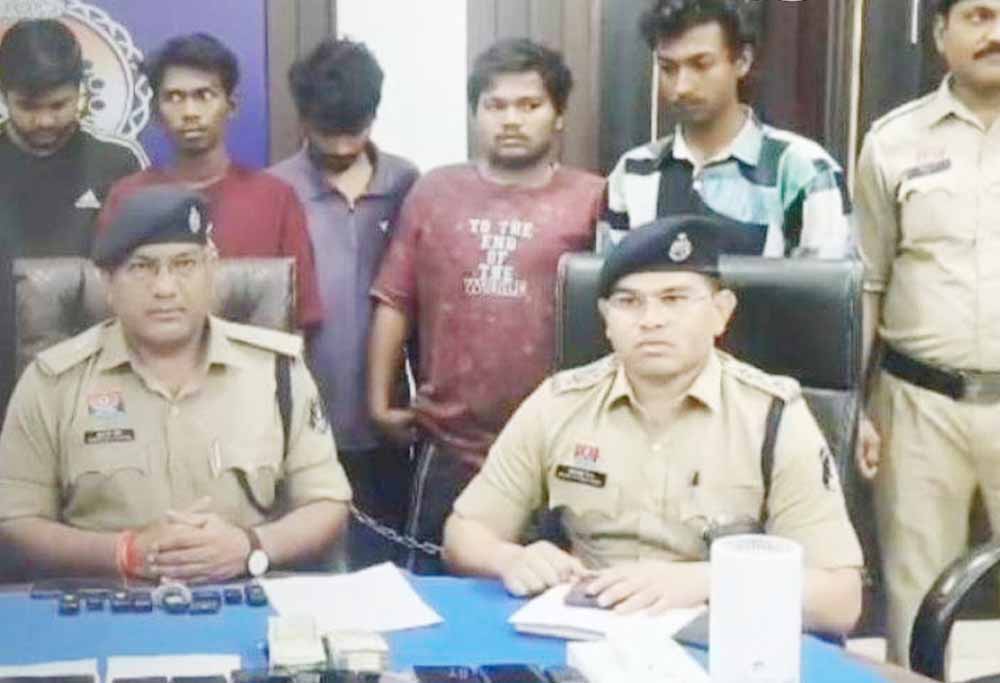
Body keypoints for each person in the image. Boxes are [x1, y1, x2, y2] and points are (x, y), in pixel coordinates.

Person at [443, 216, 863, 636]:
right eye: (629, 302)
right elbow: (465, 533)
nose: (651, 320)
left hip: (716, 639)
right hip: (583, 631)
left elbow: (839, 599)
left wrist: (708, 581)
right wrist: (511, 559)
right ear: (606, 319)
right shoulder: (559, 404)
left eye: (674, 299)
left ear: (721, 313)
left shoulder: (772, 415)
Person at [0, 186, 351, 583]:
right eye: (142, 267)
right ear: (108, 282)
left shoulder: (277, 371)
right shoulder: (53, 382)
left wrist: (250, 547)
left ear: (211, 271)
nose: (165, 288)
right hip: (107, 598)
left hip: (242, 592)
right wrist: (124, 552)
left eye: (184, 265)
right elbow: (16, 520)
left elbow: (327, 503)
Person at [368, 38, 605, 573]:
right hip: (448, 443)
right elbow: (394, 297)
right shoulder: (434, 192)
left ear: (559, 114)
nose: (511, 119)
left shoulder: (592, 198)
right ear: (475, 113)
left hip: (558, 446)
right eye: (496, 105)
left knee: (551, 593)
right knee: (435, 595)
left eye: (529, 105)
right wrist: (378, 400)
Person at [854, 0, 1000, 664]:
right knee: (916, 601)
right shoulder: (893, 141)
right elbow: (867, 281)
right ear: (940, 32)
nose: (995, 34)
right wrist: (856, 407)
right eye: (978, 16)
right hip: (919, 406)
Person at [269, 37, 419, 568]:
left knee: (385, 572)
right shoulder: (276, 191)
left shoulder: (408, 184)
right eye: (324, 132)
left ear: (374, 114)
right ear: (302, 118)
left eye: (352, 131)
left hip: (386, 424)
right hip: (301, 422)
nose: (338, 146)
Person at [98, 33, 322, 330]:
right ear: (155, 112)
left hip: (251, 359)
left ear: (232, 105)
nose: (190, 112)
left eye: (204, 96)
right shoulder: (127, 198)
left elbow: (300, 317)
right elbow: (105, 309)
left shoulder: (276, 199)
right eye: (174, 98)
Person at [603, 0, 851, 257]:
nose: (682, 87)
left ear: (742, 60)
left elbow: (825, 280)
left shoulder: (802, 170)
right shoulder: (633, 172)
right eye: (668, 68)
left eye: (701, 64)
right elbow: (607, 277)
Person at [0, 19, 146, 258]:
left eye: (58, 105)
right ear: (4, 96)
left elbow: (140, 260)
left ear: (80, 92)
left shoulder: (118, 164)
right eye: (28, 107)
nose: (45, 121)